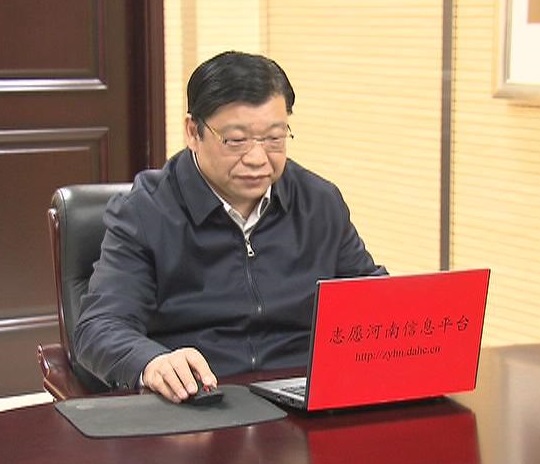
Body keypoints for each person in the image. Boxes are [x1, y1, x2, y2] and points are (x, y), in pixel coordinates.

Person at [74, 50, 387, 404]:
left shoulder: (319, 202)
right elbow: (99, 327)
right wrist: (152, 362)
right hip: (202, 401)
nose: (257, 158)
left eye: (274, 138)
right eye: (236, 140)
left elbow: (373, 298)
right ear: (193, 132)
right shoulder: (145, 212)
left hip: (304, 398)